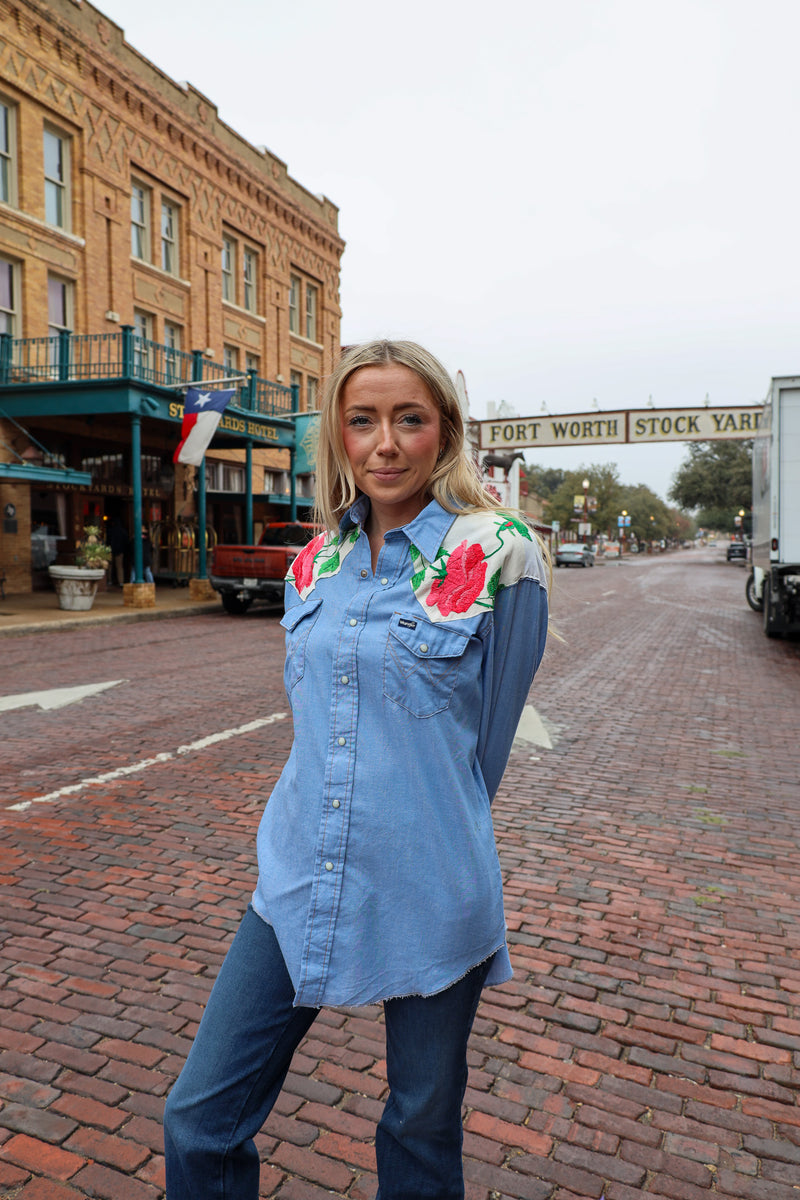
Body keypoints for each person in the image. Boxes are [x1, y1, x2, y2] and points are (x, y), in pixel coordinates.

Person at [163, 339, 550, 1200]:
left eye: (408, 419)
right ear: (338, 437)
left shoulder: (501, 554)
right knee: (198, 1120)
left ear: (442, 430)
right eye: (362, 420)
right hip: (296, 875)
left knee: (417, 1131)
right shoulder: (312, 566)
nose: (384, 443)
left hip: (430, 884)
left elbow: (484, 753)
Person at [108, 517, 129, 587]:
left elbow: (107, 540)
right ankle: (121, 581)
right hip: (120, 551)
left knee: (109, 567)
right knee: (119, 567)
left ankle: (109, 580)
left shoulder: (110, 531)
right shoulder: (123, 531)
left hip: (110, 550)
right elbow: (126, 542)